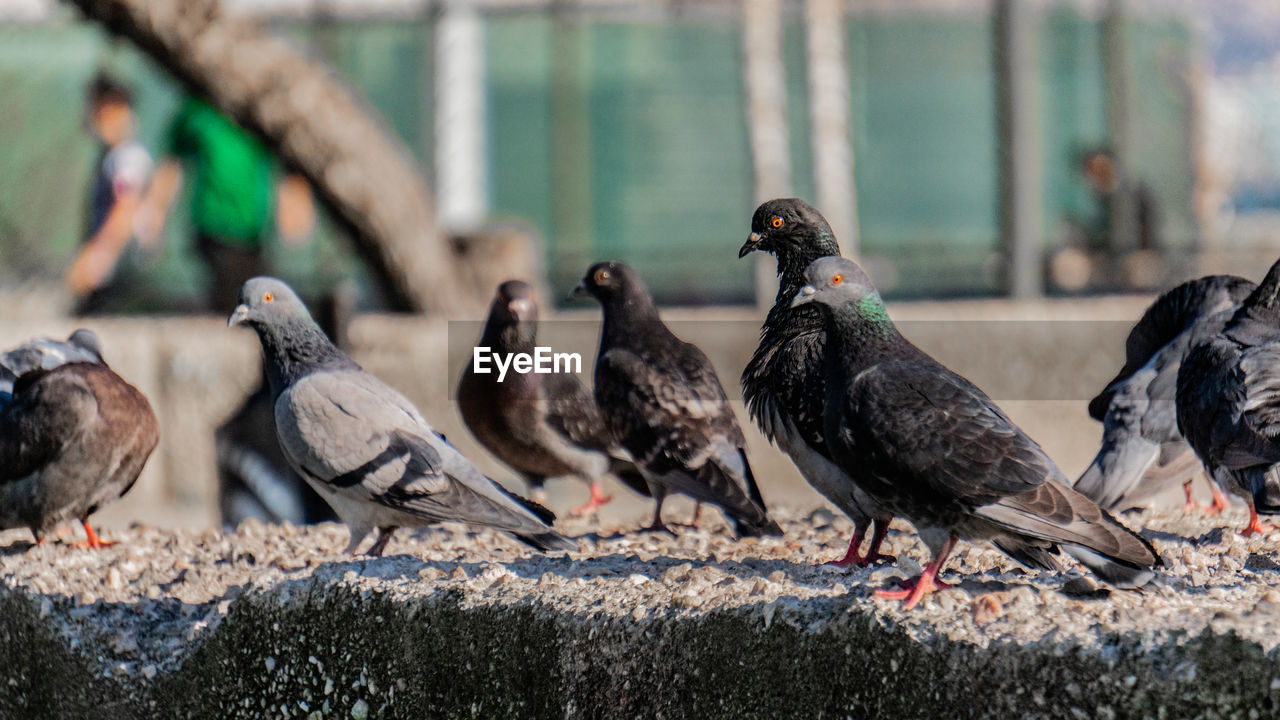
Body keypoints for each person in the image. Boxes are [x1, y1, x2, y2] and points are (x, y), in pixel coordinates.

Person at [145, 95, 314, 312]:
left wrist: (296, 208)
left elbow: (290, 167)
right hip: (214, 228)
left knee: (264, 298)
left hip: (253, 232)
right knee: (241, 298)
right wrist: (155, 215)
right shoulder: (199, 110)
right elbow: (171, 163)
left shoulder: (260, 108)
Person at [66, 74, 155, 314]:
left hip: (116, 274)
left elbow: (125, 209)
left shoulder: (125, 158)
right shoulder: (115, 156)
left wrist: (96, 261)